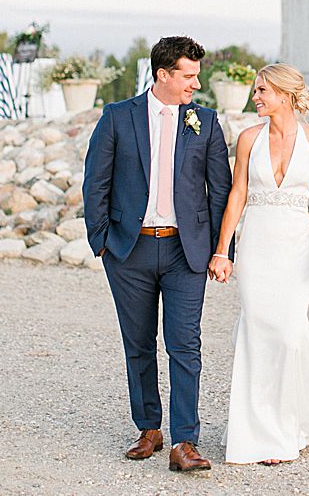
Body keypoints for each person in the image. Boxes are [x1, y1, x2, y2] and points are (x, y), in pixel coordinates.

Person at [83, 35, 231, 472]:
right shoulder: (117, 117)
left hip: (188, 252)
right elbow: (96, 183)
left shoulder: (205, 120)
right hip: (130, 250)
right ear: (162, 74)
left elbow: (219, 190)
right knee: (138, 344)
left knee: (186, 344)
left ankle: (185, 441)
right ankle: (149, 427)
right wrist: (103, 242)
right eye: (188, 75)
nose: (195, 84)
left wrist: (221, 249)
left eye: (197, 76)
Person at [209, 63, 309, 464]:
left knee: (290, 335)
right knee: (258, 334)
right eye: (255, 90)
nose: (255, 97)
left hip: (295, 248)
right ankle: (256, 432)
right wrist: (222, 249)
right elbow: (238, 195)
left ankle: (287, 426)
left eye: (262, 90)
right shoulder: (248, 139)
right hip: (257, 247)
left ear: (283, 93)